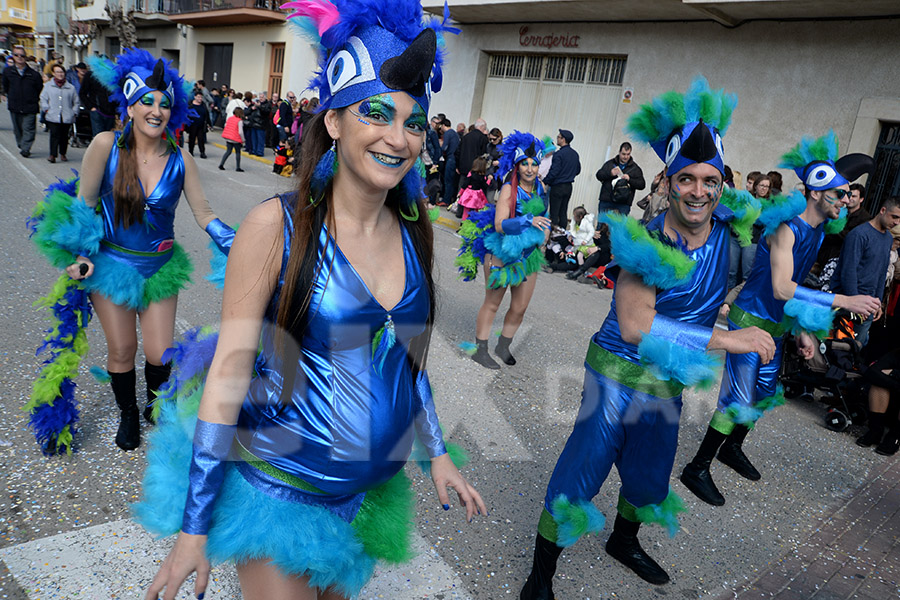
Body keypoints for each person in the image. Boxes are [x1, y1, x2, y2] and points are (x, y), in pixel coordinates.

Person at [135, 3, 485, 599]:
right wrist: (193, 527)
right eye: (376, 113)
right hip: (277, 492)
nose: (398, 138)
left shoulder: (414, 227)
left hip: (362, 499)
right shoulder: (277, 227)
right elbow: (230, 370)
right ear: (333, 122)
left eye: (414, 121)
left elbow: (406, 363)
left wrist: (437, 451)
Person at [519, 78, 770, 597]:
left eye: (709, 180)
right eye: (686, 180)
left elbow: (771, 248)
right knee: (583, 471)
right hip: (618, 372)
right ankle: (541, 576)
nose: (698, 191)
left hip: (668, 378)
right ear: (668, 182)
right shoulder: (646, 243)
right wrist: (729, 338)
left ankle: (623, 541)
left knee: (650, 474)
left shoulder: (727, 229)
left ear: (721, 184)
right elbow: (636, 326)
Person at [26, 49, 235, 455]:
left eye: (163, 103)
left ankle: (154, 404)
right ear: (130, 105)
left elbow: (204, 212)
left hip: (159, 269)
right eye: (147, 102)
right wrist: (83, 255)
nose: (156, 110)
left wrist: (238, 242)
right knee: (122, 349)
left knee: (159, 352)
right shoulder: (106, 146)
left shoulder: (181, 160)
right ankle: (127, 412)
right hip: (112, 266)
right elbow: (85, 205)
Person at [680, 131, 881, 508]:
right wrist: (846, 299)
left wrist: (802, 330)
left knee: (763, 394)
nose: (847, 200)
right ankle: (697, 467)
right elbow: (782, 289)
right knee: (738, 398)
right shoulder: (787, 229)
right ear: (818, 192)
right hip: (749, 320)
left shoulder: (818, 232)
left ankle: (732, 448)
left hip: (776, 326)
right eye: (840, 193)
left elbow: (793, 295)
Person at [457, 131, 550, 369]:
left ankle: (503, 345)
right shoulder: (509, 189)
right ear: (517, 165)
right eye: (524, 164)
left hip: (529, 255)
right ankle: (480, 349)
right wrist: (528, 221)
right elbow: (499, 225)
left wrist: (545, 236)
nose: (530, 169)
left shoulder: (541, 189)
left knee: (520, 307)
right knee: (493, 303)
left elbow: (545, 218)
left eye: (534, 164)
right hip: (502, 251)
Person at [830, 196, 900, 348]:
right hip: (846, 304)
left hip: (867, 307)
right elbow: (848, 272)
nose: (896, 222)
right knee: (837, 351)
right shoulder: (859, 234)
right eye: (894, 216)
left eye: (899, 219)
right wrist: (855, 302)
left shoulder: (888, 238)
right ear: (882, 210)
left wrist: (877, 304)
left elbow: (881, 273)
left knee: (854, 353)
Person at [817, 182, 872, 290]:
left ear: (861, 199)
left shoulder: (865, 219)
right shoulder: (839, 211)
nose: (850, 198)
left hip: (839, 261)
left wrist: (828, 233)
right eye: (849, 194)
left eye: (854, 196)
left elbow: (846, 236)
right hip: (824, 256)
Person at [728, 174, 771, 289]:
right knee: (731, 271)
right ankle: (726, 301)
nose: (764, 188)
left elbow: (766, 223)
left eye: (767, 186)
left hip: (752, 241)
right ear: (756, 186)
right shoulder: (745, 198)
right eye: (762, 185)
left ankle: (739, 301)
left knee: (747, 274)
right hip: (735, 237)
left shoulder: (769, 205)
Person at [2, 45, 43, 157]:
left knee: (29, 128)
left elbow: (39, 87)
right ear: (13, 56)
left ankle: (26, 148)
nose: (19, 57)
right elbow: (5, 86)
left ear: (25, 57)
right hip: (15, 105)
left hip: (30, 106)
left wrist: (32, 98)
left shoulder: (34, 74)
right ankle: (21, 143)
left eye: (22, 55)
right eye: (16, 55)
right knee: (18, 129)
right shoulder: (7, 72)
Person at [40, 63, 79, 163]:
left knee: (64, 136)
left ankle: (63, 153)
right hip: (53, 115)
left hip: (66, 116)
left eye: (61, 72)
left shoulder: (70, 87)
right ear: (53, 73)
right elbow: (43, 98)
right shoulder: (48, 86)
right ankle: (52, 155)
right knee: (54, 135)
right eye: (57, 72)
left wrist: (74, 112)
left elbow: (76, 101)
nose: (60, 74)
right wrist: (46, 109)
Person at [542, 129, 581, 228]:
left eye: (559, 137)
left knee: (554, 213)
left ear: (563, 139)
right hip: (568, 187)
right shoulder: (575, 154)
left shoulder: (559, 154)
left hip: (558, 187)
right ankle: (563, 233)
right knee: (563, 212)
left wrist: (545, 181)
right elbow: (578, 170)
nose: (557, 139)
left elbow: (554, 172)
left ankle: (553, 235)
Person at [595, 141, 645, 216]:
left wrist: (629, 179)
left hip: (623, 203)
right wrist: (610, 173)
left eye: (628, 154)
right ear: (619, 152)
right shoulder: (610, 164)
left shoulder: (635, 168)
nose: (625, 157)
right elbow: (598, 175)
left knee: (620, 227)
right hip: (607, 200)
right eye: (623, 154)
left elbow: (642, 185)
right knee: (602, 226)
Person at [80, 64, 119, 137]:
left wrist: (117, 111)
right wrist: (91, 107)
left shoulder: (112, 77)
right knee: (98, 136)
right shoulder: (91, 75)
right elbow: (82, 93)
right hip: (97, 111)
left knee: (109, 137)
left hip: (110, 113)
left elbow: (116, 94)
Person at [456, 118, 489, 190]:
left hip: (463, 167)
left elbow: (458, 152)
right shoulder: (483, 138)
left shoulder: (465, 137)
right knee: (473, 190)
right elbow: (483, 154)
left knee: (461, 187)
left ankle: (459, 200)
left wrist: (457, 166)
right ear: (482, 127)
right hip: (476, 169)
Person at [439, 118, 460, 206]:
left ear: (443, 125)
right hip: (454, 158)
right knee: (451, 180)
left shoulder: (447, 133)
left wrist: (439, 148)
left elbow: (445, 147)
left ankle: (446, 200)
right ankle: (449, 198)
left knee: (447, 180)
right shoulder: (455, 133)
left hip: (450, 158)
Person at [219, 106, 245, 172]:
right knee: (238, 152)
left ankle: (221, 164)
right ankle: (238, 167)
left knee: (228, 151)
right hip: (236, 139)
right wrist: (243, 139)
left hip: (228, 138)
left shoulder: (230, 118)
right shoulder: (239, 121)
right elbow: (240, 132)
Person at [186, 91, 209, 158]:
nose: (200, 98)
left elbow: (206, 114)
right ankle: (191, 151)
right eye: (198, 97)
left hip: (201, 125)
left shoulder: (203, 105)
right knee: (192, 138)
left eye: (201, 97)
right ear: (195, 97)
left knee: (201, 139)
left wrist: (208, 123)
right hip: (192, 125)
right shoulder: (190, 105)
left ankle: (202, 152)